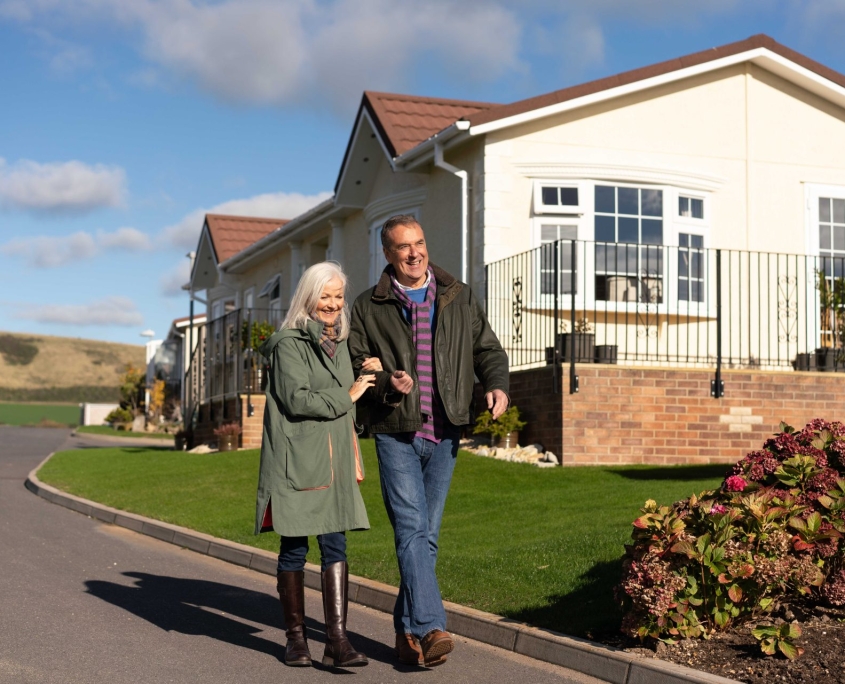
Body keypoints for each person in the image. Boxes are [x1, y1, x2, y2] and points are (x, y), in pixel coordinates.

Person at [348, 215, 510, 667]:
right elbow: (358, 367)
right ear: (388, 254)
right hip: (395, 430)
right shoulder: (367, 306)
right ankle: (433, 626)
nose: (414, 253)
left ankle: (406, 635)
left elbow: (487, 350)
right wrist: (385, 386)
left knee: (427, 535)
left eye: (419, 243)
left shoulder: (457, 296)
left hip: (445, 430)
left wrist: (496, 383)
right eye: (403, 247)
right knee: (411, 529)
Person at [254, 261, 381, 668]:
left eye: (338, 296)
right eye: (325, 296)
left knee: (335, 544)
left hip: (336, 459)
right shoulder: (289, 343)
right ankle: (296, 640)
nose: (332, 304)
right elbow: (298, 399)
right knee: (293, 545)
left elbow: (350, 395)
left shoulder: (342, 343)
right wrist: (350, 393)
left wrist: (371, 376)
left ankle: (337, 642)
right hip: (298, 462)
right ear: (308, 297)